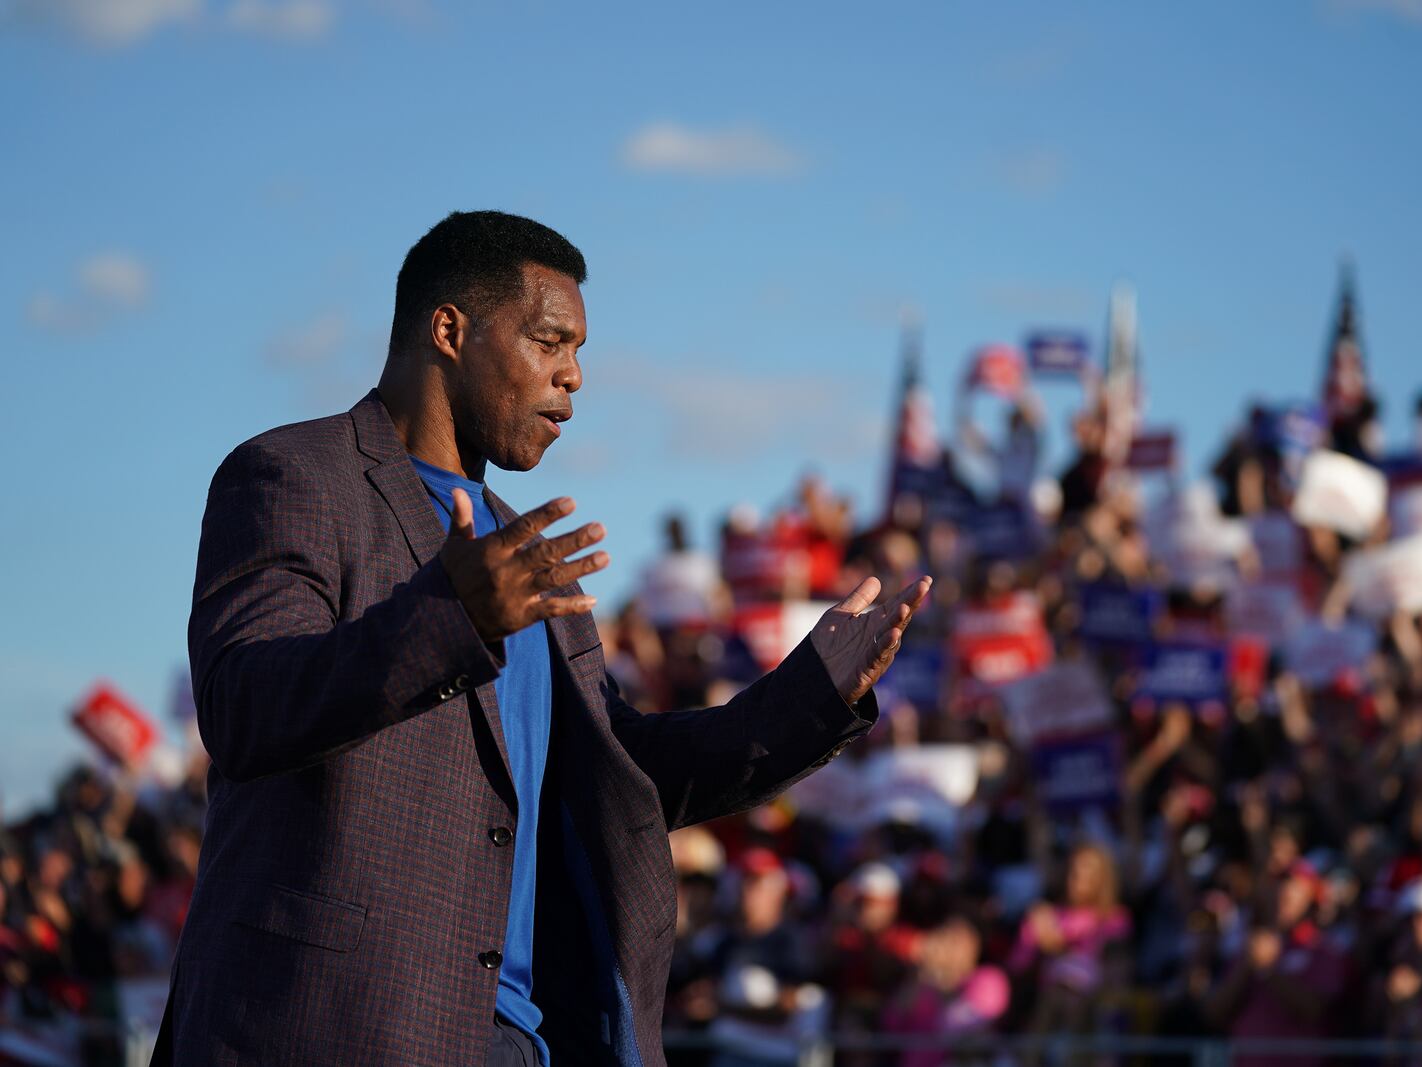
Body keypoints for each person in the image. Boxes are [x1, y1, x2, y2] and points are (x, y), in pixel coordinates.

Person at [152, 210, 932, 1066]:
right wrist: (452, 617)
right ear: (449, 329)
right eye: (551, 341)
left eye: (581, 352)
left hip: (524, 1039)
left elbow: (625, 777)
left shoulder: (522, 549)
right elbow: (243, 707)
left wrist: (814, 692)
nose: (574, 377)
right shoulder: (296, 475)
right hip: (334, 1027)